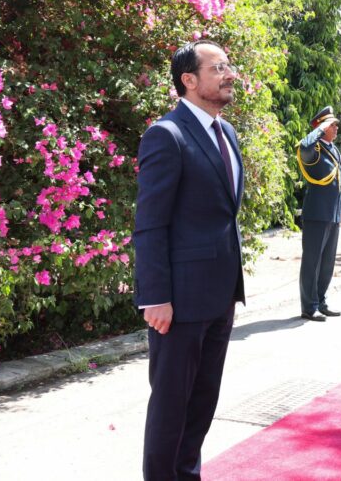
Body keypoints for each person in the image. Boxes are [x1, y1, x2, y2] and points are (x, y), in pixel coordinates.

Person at [133, 40, 245, 480]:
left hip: (220, 296)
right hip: (178, 303)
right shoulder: (167, 134)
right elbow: (150, 223)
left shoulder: (226, 132)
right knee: (170, 410)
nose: (230, 74)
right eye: (219, 68)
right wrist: (155, 296)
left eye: (229, 66)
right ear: (189, 80)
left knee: (201, 406)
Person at [296, 106, 341, 321]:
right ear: (322, 127)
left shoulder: (333, 149)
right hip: (316, 213)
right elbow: (304, 146)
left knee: (327, 262)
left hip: (332, 213)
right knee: (312, 261)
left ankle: (321, 301)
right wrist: (319, 129)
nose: (336, 128)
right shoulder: (313, 150)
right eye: (331, 125)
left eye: (335, 125)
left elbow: (339, 182)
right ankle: (309, 306)